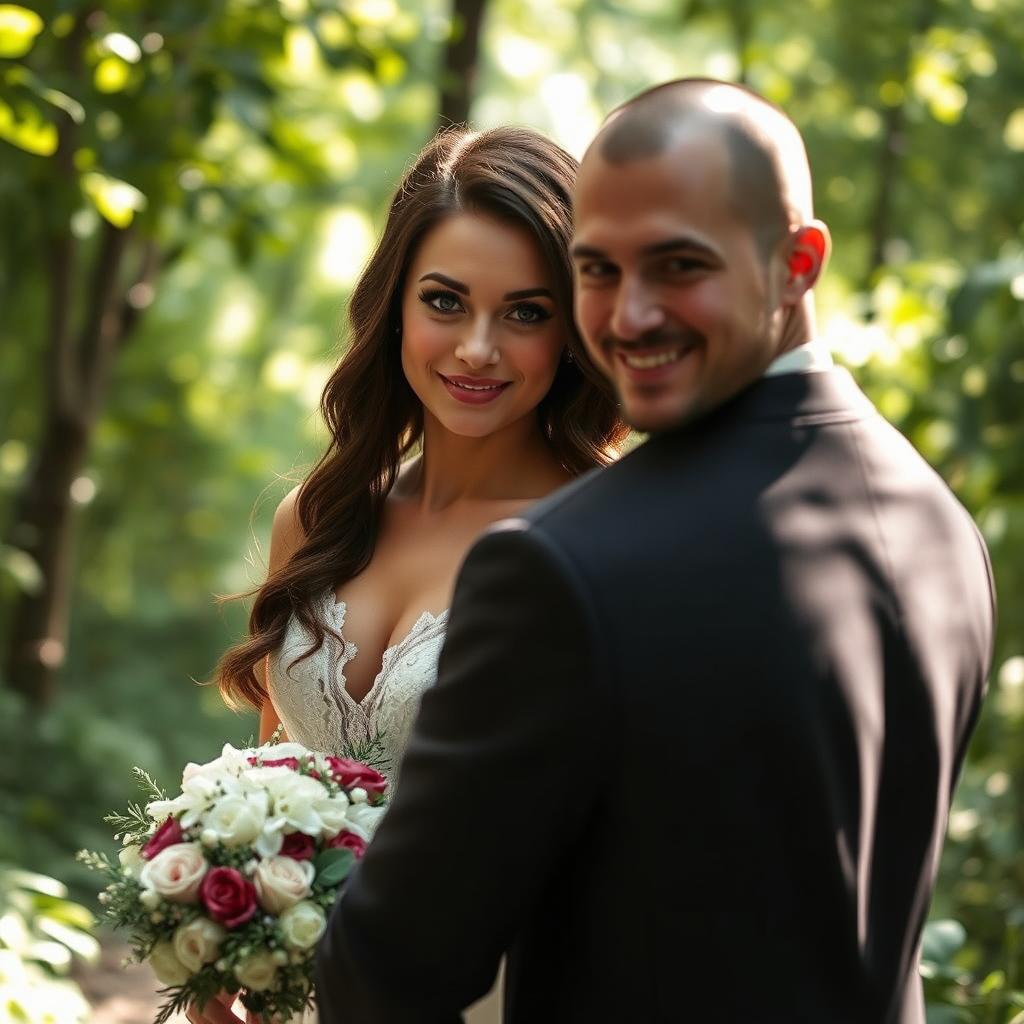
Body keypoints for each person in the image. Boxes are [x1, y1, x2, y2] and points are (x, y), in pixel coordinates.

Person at [313, 79, 995, 1023]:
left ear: (798, 264)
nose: (629, 316)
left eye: (679, 266)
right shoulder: (941, 525)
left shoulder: (566, 563)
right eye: (598, 269)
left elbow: (394, 967)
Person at [187, 126, 627, 1024]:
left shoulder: (608, 543)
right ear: (395, 304)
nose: (476, 349)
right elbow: (273, 778)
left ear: (575, 328)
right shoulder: (317, 518)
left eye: (526, 312)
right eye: (445, 301)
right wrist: (220, 938)